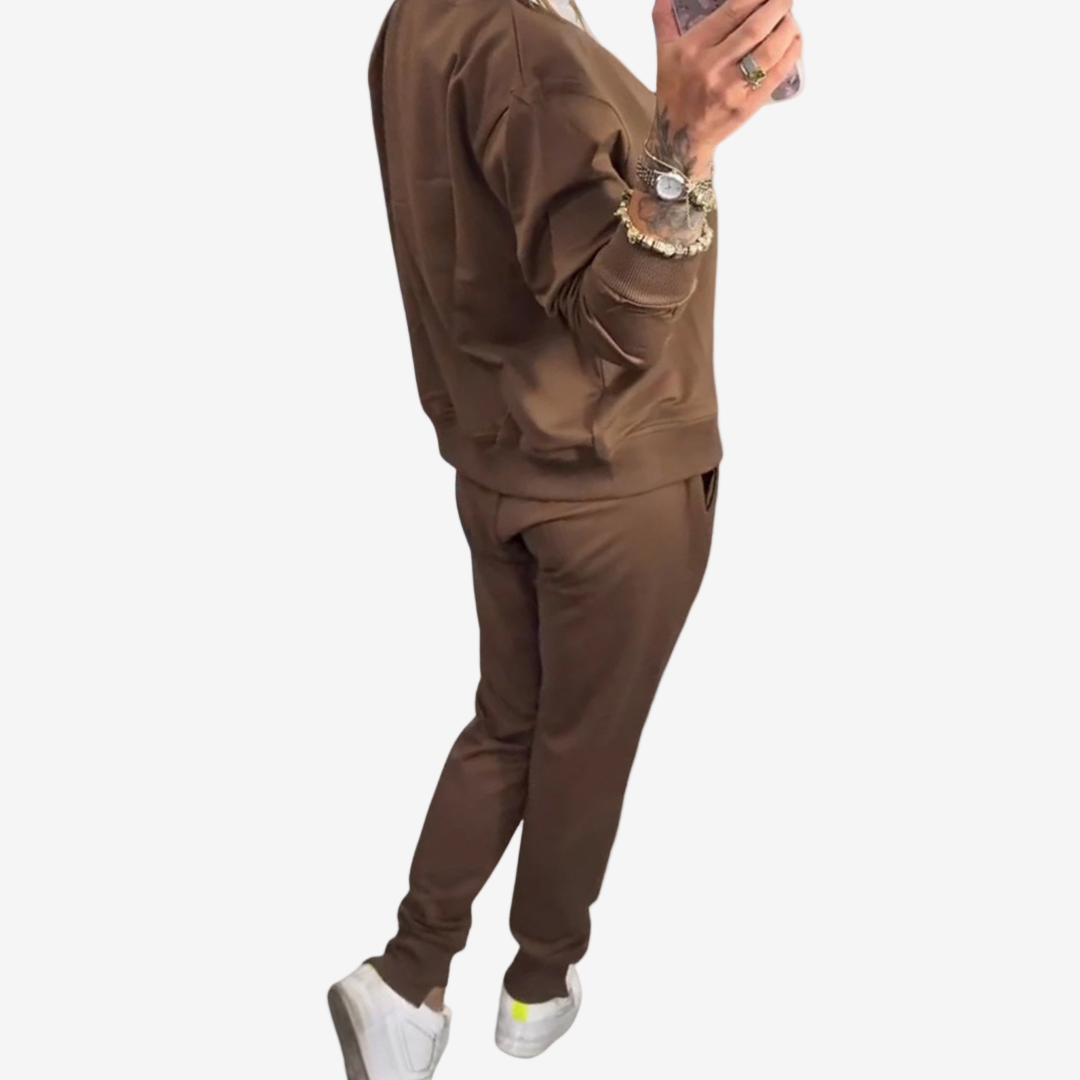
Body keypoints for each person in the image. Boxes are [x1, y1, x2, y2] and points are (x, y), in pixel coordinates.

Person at [328, 0, 803, 1076]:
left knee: (512, 722)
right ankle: (538, 984)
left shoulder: (417, 22)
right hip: (613, 484)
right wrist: (682, 143)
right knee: (585, 741)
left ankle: (408, 973)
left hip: (504, 465)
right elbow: (619, 322)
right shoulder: (520, 42)